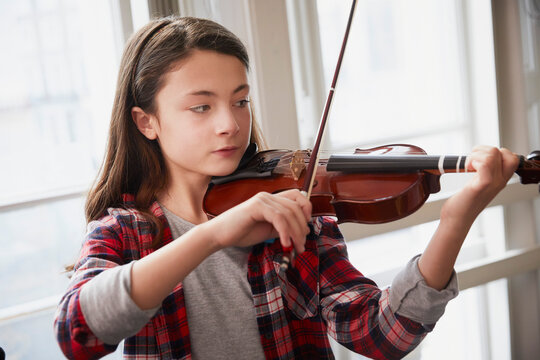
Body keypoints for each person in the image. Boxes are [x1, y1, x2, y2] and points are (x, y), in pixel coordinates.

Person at [54, 16, 518, 360]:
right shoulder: (124, 231)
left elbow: (382, 334)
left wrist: (457, 219)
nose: (229, 125)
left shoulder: (290, 212)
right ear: (146, 121)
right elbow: (79, 333)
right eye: (201, 107)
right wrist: (214, 235)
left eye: (241, 101)